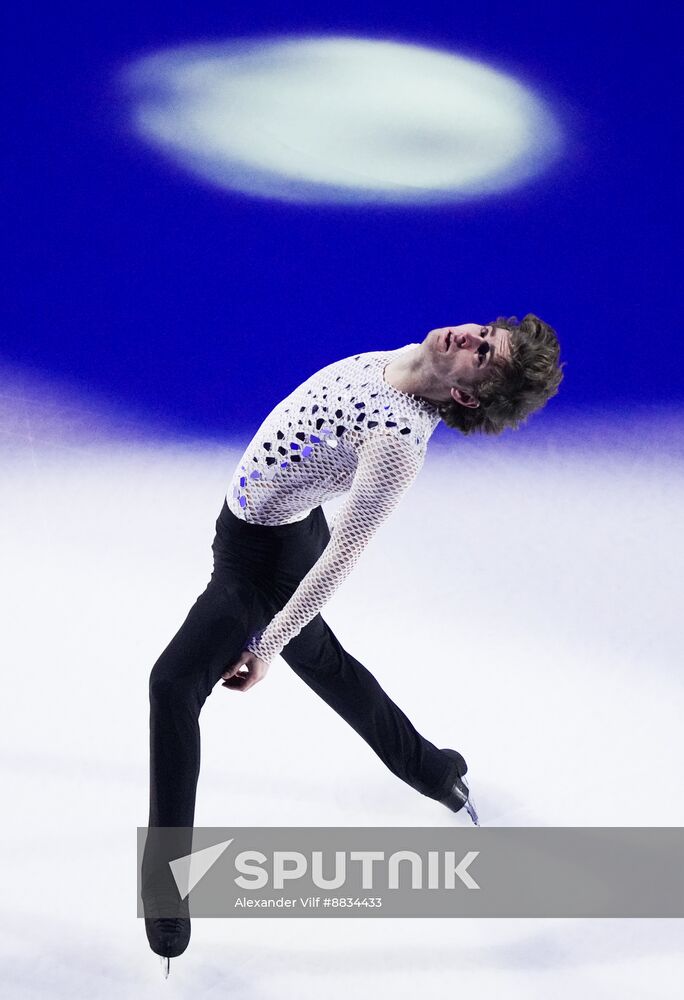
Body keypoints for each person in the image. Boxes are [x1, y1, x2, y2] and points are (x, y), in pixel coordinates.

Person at [141, 315, 564, 965]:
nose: (469, 338)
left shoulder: (399, 443)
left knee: (172, 687)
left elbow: (340, 559)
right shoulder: (407, 356)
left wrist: (268, 644)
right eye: (483, 330)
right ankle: (436, 771)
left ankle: (167, 899)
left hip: (266, 564)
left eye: (484, 354)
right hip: (270, 531)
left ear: (468, 396)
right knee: (335, 670)